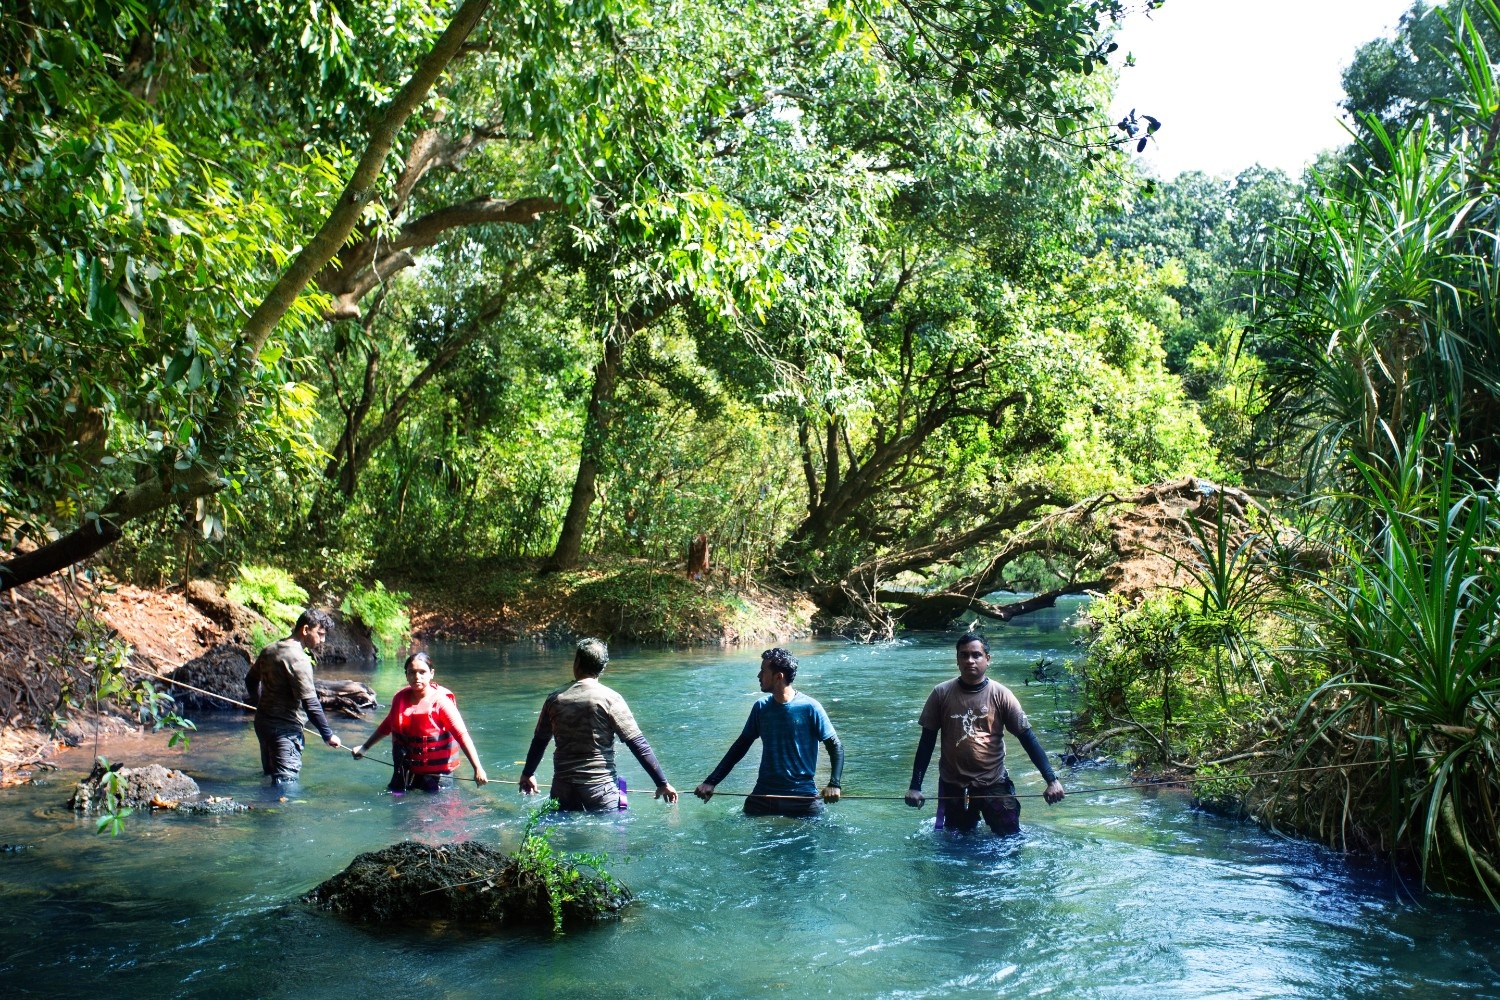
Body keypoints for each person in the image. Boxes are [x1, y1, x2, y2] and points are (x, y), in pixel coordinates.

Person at [905, 632, 1065, 834]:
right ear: (957, 659)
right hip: (953, 785)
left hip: (994, 782)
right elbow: (926, 743)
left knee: (1010, 839)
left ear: (987, 659)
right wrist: (915, 786)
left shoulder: (1001, 694)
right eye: (964, 655)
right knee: (958, 844)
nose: (970, 660)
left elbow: (1027, 739)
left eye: (976, 655)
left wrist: (1052, 781)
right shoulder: (941, 693)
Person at [519, 638, 678, 810]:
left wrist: (528, 773)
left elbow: (540, 741)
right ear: (602, 668)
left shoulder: (555, 698)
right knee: (615, 826)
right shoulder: (610, 699)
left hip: (562, 790)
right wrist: (662, 783)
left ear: (576, 662)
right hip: (601, 790)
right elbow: (637, 743)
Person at [694, 648, 844, 817]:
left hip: (802, 797)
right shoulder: (761, 707)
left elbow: (835, 746)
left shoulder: (810, 707)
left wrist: (834, 784)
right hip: (763, 796)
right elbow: (740, 747)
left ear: (779, 676)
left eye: (763, 671)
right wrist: (711, 782)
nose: (759, 675)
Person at [350, 652, 489, 792]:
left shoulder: (441, 703)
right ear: (406, 675)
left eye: (422, 672)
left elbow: (462, 735)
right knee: (397, 799)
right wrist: (365, 747)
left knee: (432, 804)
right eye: (412, 672)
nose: (417, 677)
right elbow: (387, 725)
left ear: (431, 674)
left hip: (437, 775)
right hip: (405, 770)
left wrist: (478, 768)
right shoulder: (400, 699)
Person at [245, 608, 342, 782]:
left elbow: (250, 680)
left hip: (263, 724)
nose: (323, 640)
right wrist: (328, 735)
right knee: (286, 783)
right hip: (285, 731)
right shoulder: (299, 659)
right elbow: (310, 704)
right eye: (320, 634)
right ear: (305, 630)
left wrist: (260, 705)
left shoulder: (269, 649)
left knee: (270, 776)